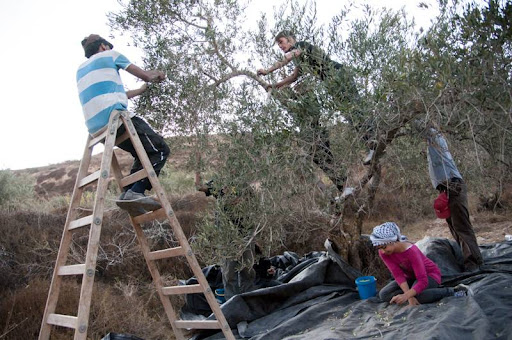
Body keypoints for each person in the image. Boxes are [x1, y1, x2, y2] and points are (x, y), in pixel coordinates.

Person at [257, 31, 374, 194]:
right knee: (350, 114)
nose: (281, 47)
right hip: (333, 82)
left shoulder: (300, 47)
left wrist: (267, 71)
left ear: (291, 40)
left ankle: (373, 144)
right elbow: (293, 77)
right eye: (279, 45)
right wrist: (275, 85)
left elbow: (288, 58)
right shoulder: (301, 59)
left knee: (354, 111)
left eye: (282, 42)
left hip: (338, 76)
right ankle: (371, 146)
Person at [77, 34, 170, 216]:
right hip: (115, 118)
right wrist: (158, 74)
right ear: (103, 46)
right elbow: (145, 75)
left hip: (96, 127)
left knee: (142, 153)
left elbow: (114, 94)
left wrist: (140, 91)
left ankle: (129, 192)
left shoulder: (81, 70)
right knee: (160, 149)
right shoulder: (111, 55)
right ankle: (136, 191)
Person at [424, 127, 483, 271]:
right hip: (447, 188)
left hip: (453, 186)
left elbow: (424, 126)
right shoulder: (434, 144)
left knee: (462, 228)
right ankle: (469, 259)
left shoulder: (435, 140)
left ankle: (473, 263)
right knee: (456, 228)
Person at [371, 222, 472, 306]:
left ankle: (453, 291)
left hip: (429, 275)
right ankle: (417, 294)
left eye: (384, 247)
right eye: (379, 248)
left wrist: (407, 296)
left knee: (419, 296)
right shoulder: (384, 253)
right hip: (410, 277)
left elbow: (422, 280)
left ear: (393, 241)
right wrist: (409, 295)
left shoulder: (411, 252)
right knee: (384, 294)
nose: (382, 251)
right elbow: (398, 275)